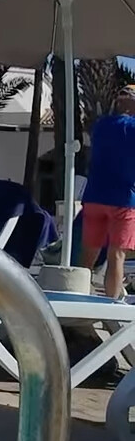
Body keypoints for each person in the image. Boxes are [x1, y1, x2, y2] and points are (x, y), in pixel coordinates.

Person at [83, 85, 135, 302]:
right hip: (123, 198)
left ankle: (78, 296)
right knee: (117, 255)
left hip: (94, 196)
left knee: (89, 253)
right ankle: (112, 305)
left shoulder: (101, 125)